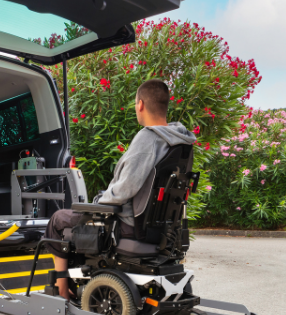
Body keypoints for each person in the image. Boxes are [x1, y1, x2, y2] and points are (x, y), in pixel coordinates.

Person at [44, 79, 196, 300]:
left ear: (140, 104)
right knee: (76, 218)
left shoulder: (149, 138)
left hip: (127, 225)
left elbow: (125, 189)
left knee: (58, 220)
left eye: (136, 104)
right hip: (160, 228)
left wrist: (97, 205)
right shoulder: (180, 142)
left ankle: (61, 287)